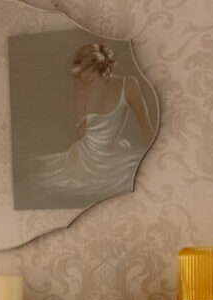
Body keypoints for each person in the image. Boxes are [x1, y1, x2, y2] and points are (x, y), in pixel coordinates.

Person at [30, 42, 153, 199]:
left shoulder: (81, 96)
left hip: (85, 162)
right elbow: (146, 126)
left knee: (45, 171)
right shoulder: (129, 84)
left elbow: (81, 134)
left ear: (91, 69)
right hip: (112, 159)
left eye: (80, 73)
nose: (79, 78)